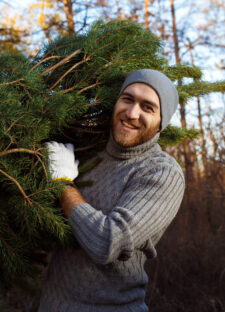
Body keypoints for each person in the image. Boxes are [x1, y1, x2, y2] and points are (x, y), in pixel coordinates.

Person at [40, 69, 185, 311]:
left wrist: (63, 183)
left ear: (161, 122)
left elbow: (108, 242)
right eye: (127, 99)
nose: (131, 113)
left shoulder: (161, 172)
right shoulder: (87, 153)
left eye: (147, 107)